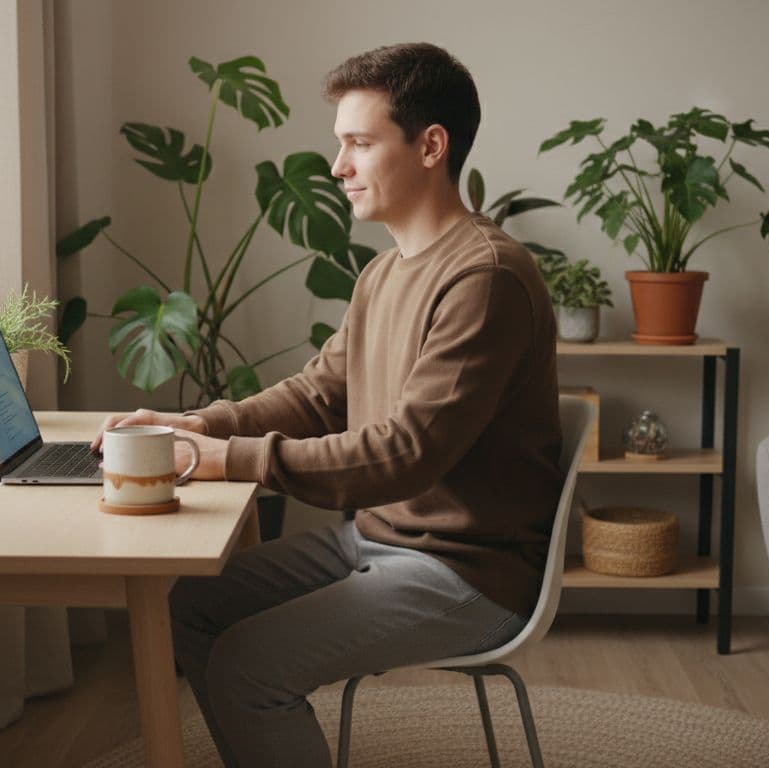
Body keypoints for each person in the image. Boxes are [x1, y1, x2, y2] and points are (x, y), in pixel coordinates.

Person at [91, 42, 562, 767]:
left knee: (248, 668)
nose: (337, 166)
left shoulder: (486, 277)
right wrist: (200, 424)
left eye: (359, 144)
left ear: (430, 145)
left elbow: (406, 454)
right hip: (376, 544)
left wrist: (229, 462)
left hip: (467, 572)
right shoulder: (383, 273)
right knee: (186, 604)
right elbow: (318, 394)